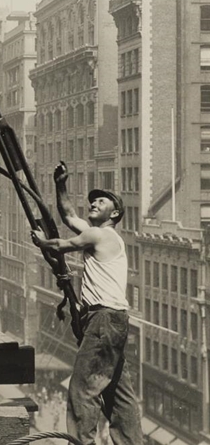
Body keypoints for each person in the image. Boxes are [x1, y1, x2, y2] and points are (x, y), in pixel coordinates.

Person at [31, 161, 143, 445]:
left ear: (114, 212)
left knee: (81, 389)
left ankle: (82, 442)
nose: (93, 203)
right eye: (92, 201)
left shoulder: (101, 234)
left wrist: (42, 242)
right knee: (119, 393)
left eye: (100, 201)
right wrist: (61, 185)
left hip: (103, 320)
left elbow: (60, 246)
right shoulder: (103, 235)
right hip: (115, 321)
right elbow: (68, 214)